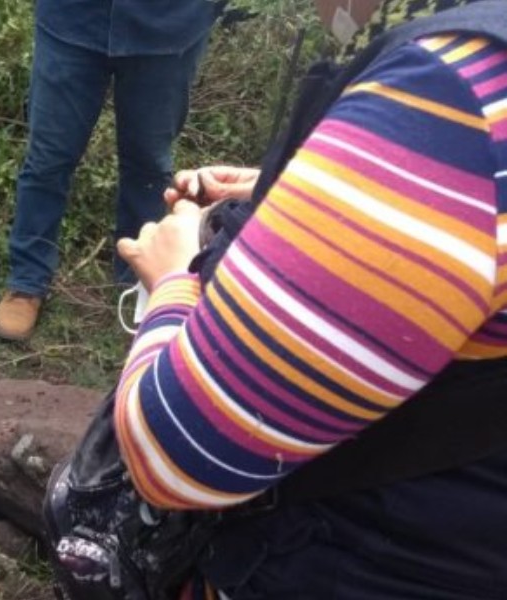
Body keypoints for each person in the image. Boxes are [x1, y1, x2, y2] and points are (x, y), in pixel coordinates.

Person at [54, 0, 507, 596]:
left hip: (354, 560)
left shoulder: (449, 100)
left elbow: (177, 453)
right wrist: (300, 190)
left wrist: (175, 275)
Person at [0, 0, 218, 341]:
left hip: (169, 26)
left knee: (149, 164)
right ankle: (26, 283)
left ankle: (140, 285)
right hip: (71, 19)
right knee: (48, 158)